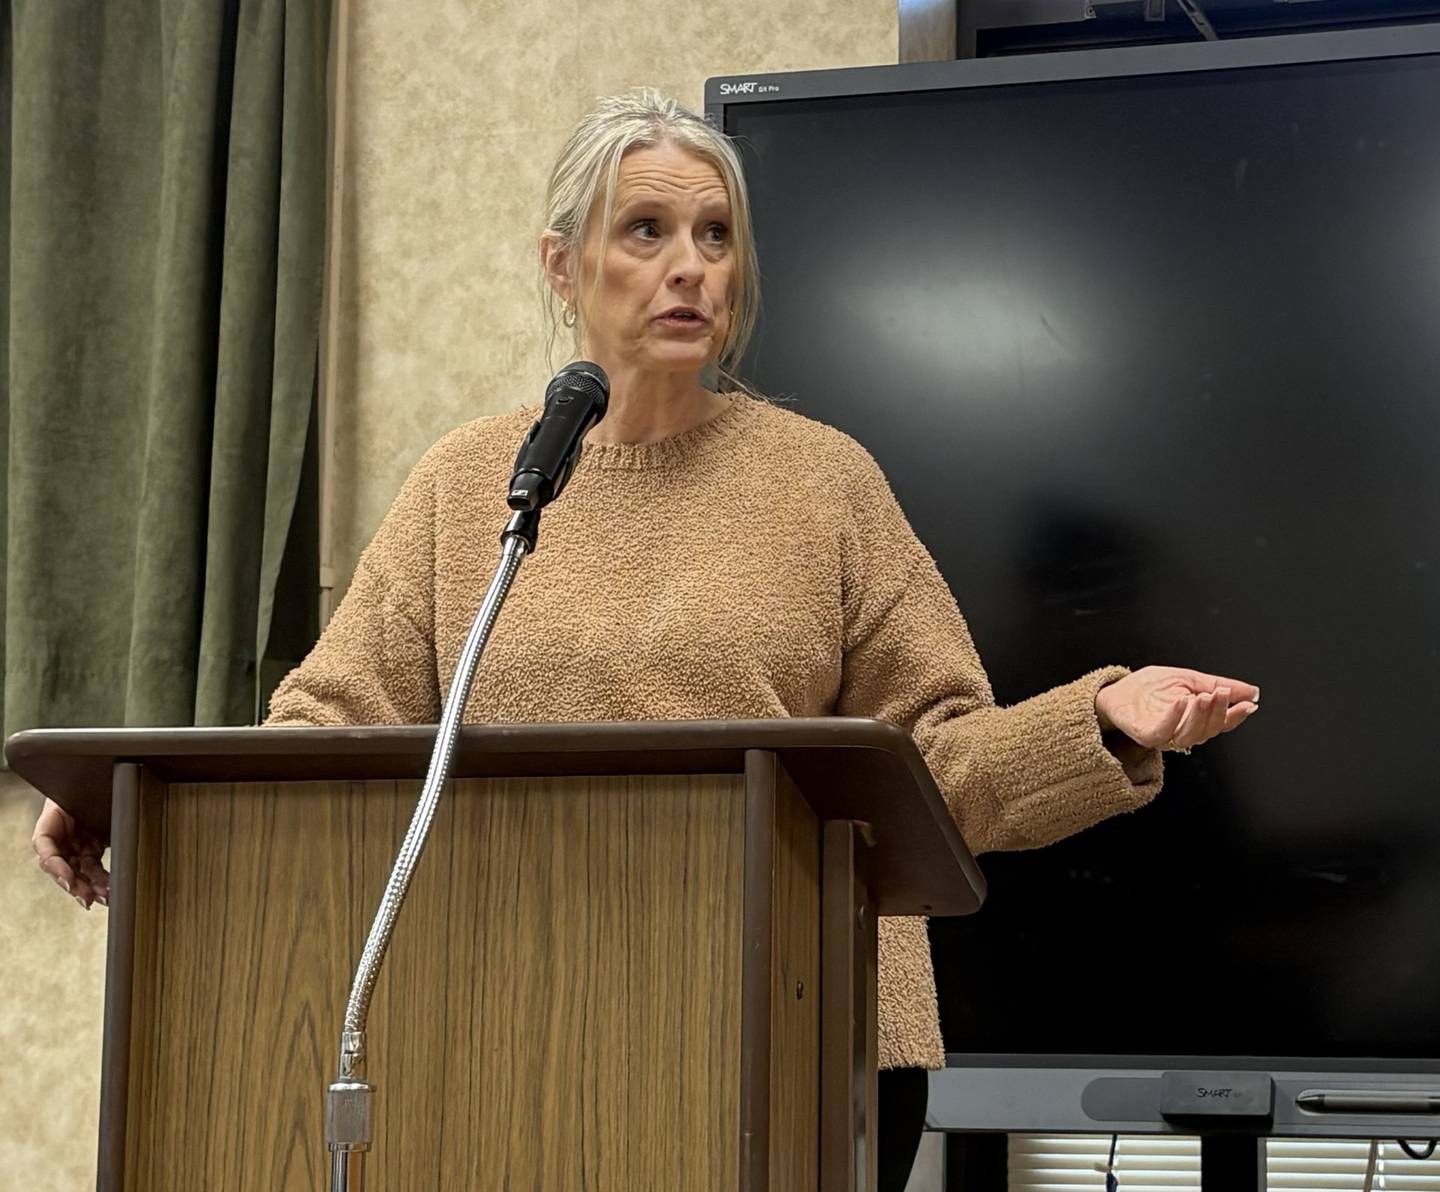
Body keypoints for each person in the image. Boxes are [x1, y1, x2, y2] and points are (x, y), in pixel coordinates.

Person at [34, 88, 1259, 1190]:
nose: (691, 268)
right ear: (563, 265)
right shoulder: (475, 485)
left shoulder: (824, 482)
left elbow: (935, 768)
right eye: (648, 231)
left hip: (804, 1033)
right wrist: (135, 805)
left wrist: (1096, 721)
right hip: (516, 1034)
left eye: (716, 236)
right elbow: (327, 724)